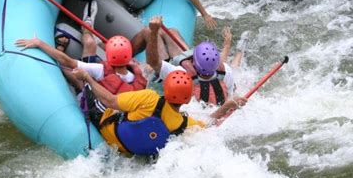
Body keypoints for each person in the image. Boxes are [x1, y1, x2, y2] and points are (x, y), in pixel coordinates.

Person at [72, 68, 247, 156]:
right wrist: (228, 106)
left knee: (84, 88)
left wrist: (87, 77)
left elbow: (109, 100)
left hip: (107, 131)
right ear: (187, 100)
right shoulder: (182, 124)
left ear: (165, 88)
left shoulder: (149, 97)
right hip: (129, 152)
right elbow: (210, 123)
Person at [15, 30, 148, 127]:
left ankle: (61, 49)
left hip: (96, 110)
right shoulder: (139, 75)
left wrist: (40, 43)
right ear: (129, 57)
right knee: (86, 65)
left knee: (77, 76)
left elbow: (67, 61)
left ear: (108, 56)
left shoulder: (100, 69)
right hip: (118, 118)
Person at [146, 16, 250, 106]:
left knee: (161, 32)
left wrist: (153, 32)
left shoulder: (182, 74)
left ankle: (239, 50)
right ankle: (240, 50)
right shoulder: (225, 71)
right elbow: (229, 96)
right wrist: (227, 45)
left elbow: (153, 62)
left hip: (189, 99)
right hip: (213, 106)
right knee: (233, 68)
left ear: (194, 62)